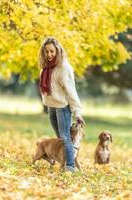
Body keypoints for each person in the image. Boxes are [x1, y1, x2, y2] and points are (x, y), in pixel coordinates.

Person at [38, 37, 85, 172]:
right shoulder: (45, 67)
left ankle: (70, 167)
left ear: (58, 50)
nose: (49, 55)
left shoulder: (64, 68)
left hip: (62, 108)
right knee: (61, 139)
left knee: (65, 138)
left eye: (52, 51)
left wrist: (77, 112)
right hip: (51, 107)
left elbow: (71, 91)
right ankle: (65, 162)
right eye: (46, 52)